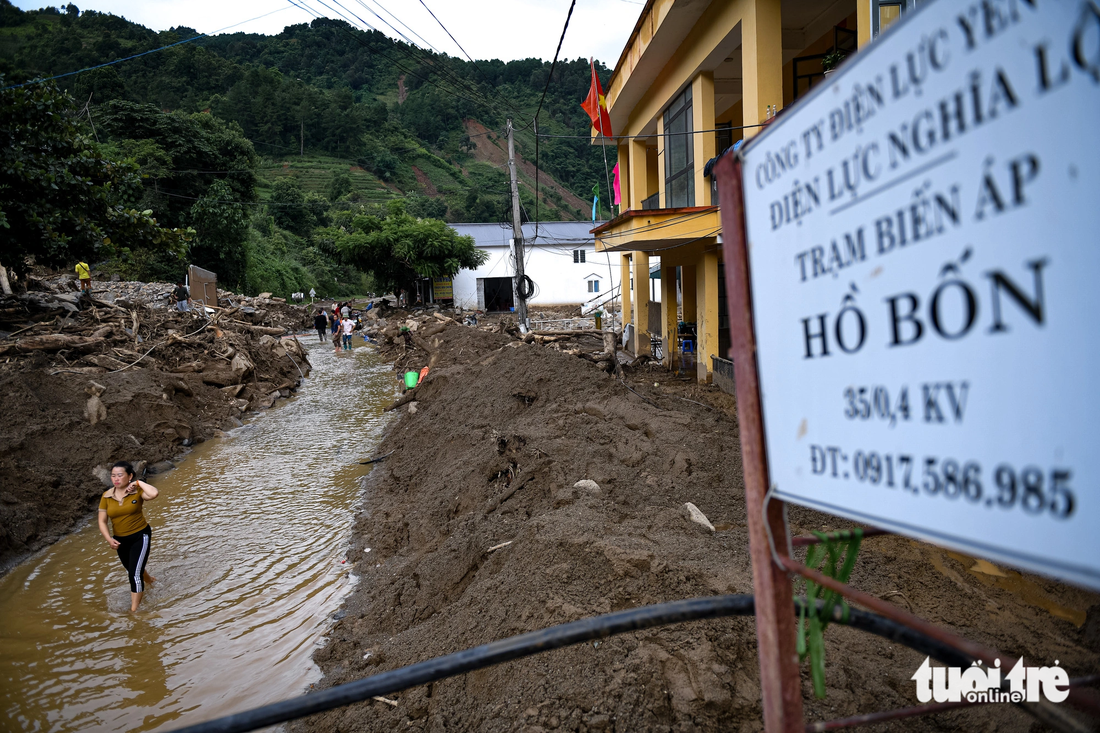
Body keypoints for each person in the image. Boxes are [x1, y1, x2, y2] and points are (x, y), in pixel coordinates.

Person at [98, 461, 159, 613]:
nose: (116, 479)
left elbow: (154, 494)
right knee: (132, 568)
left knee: (134, 574)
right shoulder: (106, 496)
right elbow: (102, 521)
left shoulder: (137, 492)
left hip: (140, 535)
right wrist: (109, 539)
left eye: (120, 475)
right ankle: (150, 580)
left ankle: (134, 611)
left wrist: (138, 483)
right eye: (113, 475)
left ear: (130, 476)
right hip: (120, 540)